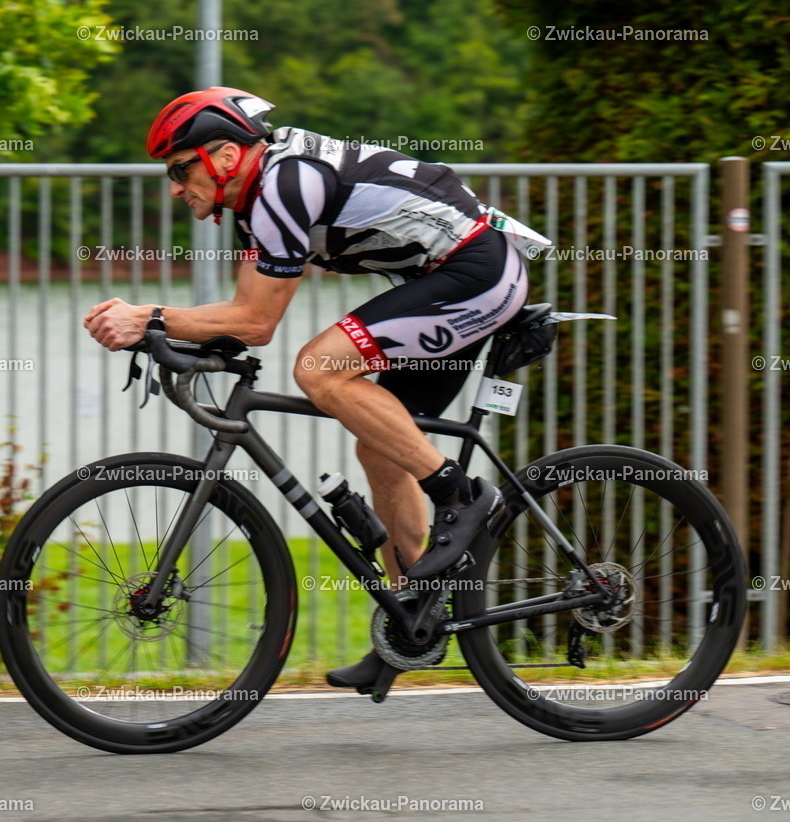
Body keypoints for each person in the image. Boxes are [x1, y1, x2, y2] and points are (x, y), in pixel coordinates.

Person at [84, 87, 544, 690]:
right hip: (451, 275)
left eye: (179, 169)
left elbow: (256, 323)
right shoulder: (258, 200)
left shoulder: (283, 185)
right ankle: (411, 622)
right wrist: (172, 337)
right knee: (381, 444)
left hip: (475, 271)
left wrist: (149, 317)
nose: (175, 187)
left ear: (225, 157)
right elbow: (240, 319)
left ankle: (459, 494)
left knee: (320, 368)